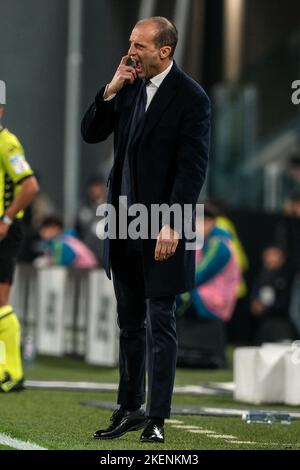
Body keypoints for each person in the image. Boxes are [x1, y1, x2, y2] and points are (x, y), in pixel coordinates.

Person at [81, 16, 210, 443]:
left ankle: (156, 417)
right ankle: (129, 407)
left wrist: (173, 223)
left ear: (165, 51)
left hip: (162, 227)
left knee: (160, 322)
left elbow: (191, 171)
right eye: (131, 43)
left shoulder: (192, 99)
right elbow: (90, 132)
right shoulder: (129, 86)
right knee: (129, 323)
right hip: (122, 224)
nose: (131, 51)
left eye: (139, 45)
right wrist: (110, 89)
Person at [0, 101, 39, 392]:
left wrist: (6, 219)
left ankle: (12, 372)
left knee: (1, 303)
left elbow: (29, 186)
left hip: (5, 231)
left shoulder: (7, 143)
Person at [177, 204, 241, 322]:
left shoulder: (220, 245)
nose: (195, 226)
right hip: (203, 303)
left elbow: (197, 276)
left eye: (201, 221)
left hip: (211, 307)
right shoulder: (201, 242)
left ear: (211, 222)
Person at [250, 245, 295, 344]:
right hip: (263, 323)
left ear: (282, 258)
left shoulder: (289, 276)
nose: (269, 259)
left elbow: (288, 300)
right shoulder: (261, 276)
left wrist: (267, 307)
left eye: (273, 255)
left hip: (283, 322)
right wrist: (255, 304)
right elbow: (256, 293)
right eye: (267, 255)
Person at [75, 176, 107, 264]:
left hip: (107, 254)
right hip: (88, 256)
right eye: (93, 187)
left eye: (98, 186)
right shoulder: (83, 208)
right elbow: (78, 231)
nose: (95, 190)